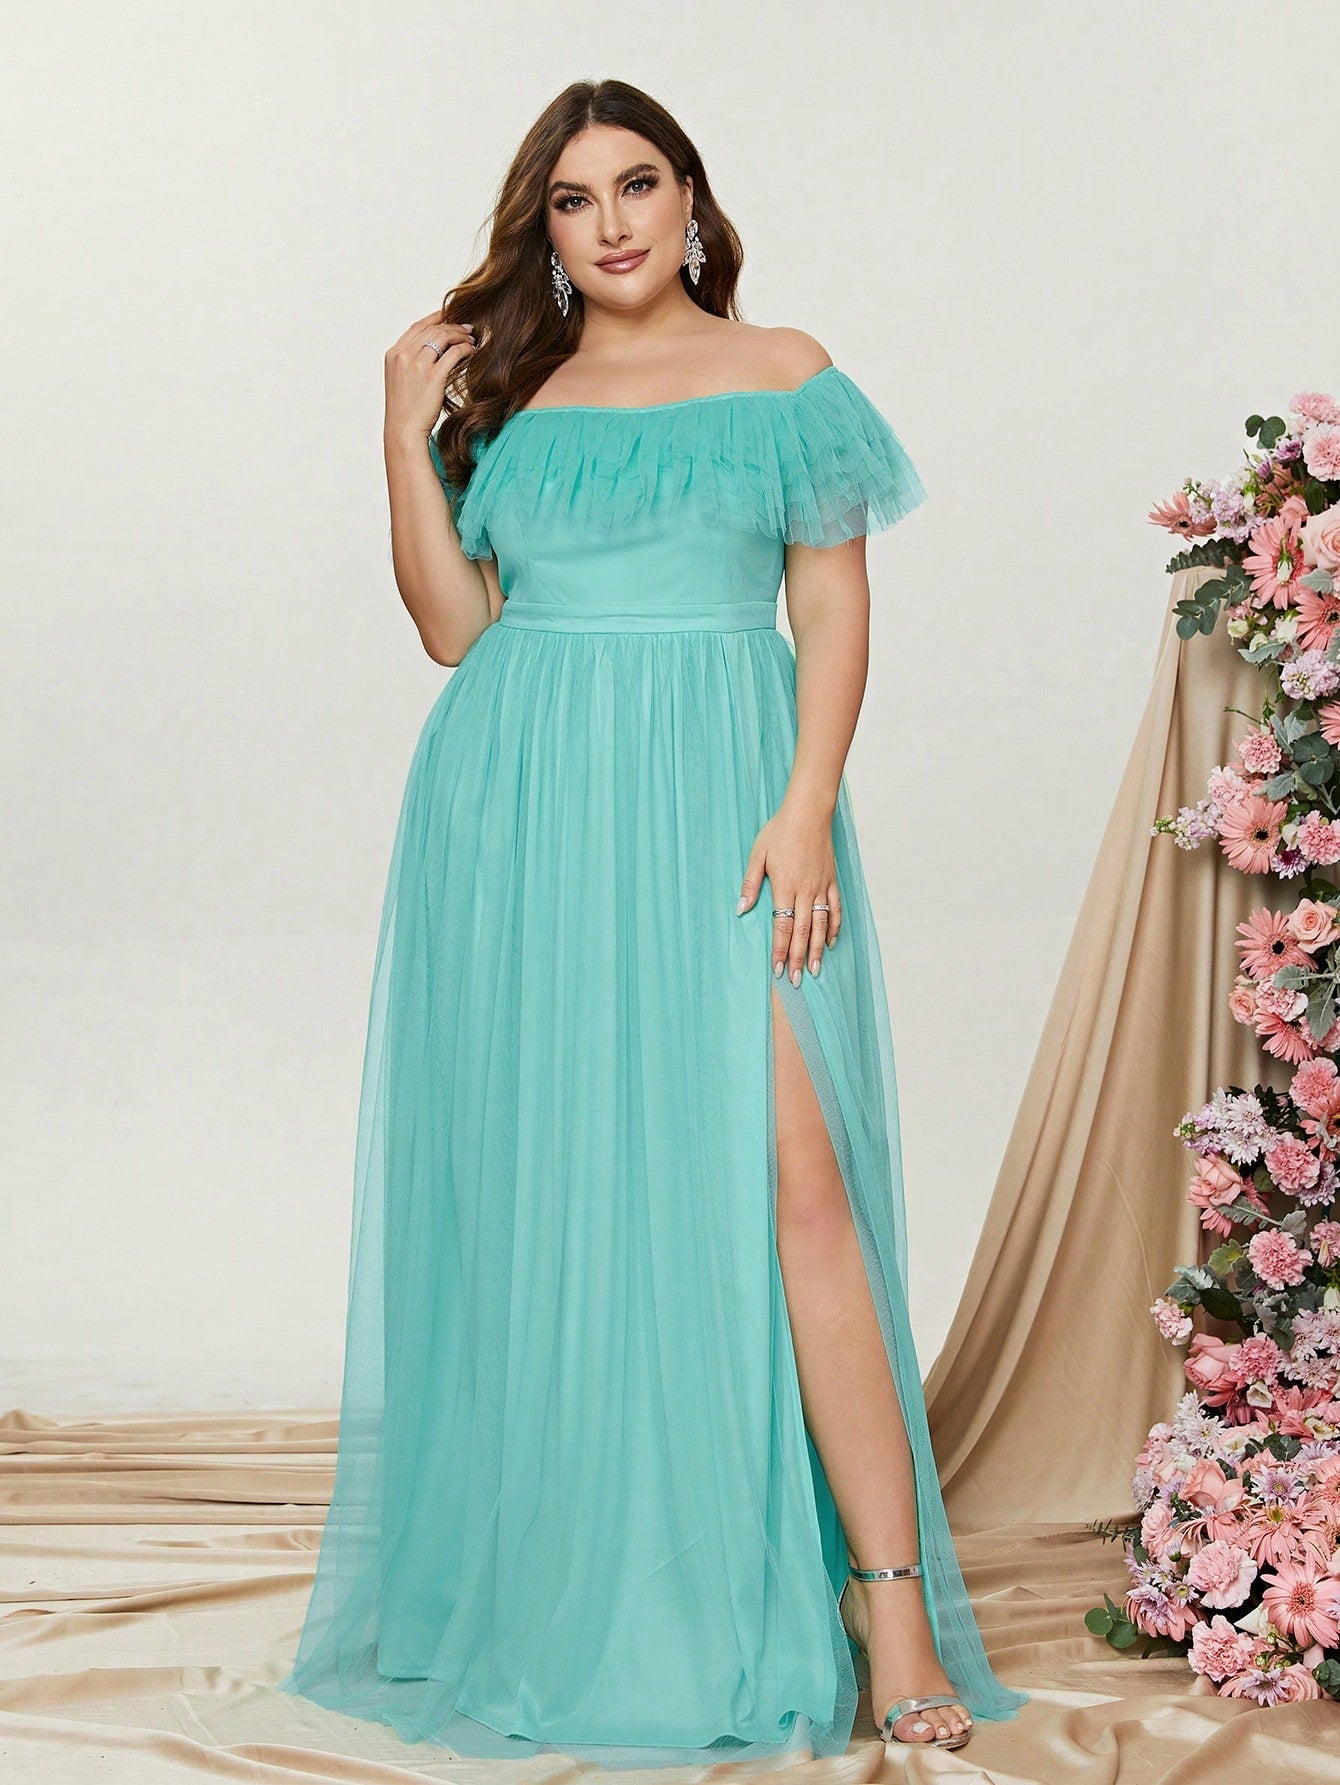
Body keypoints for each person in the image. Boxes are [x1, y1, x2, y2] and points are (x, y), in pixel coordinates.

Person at [277, 76, 1029, 1769]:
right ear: (542, 229)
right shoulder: (515, 390)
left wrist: (804, 800)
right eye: (573, 198)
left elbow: (829, 598)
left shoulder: (784, 374)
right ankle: (595, 1580)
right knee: (574, 1189)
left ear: (692, 199)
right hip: (525, 809)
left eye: (638, 184)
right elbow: (454, 629)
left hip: (723, 798)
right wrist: (398, 431)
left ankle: (892, 1606)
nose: (610, 222)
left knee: (799, 1183)